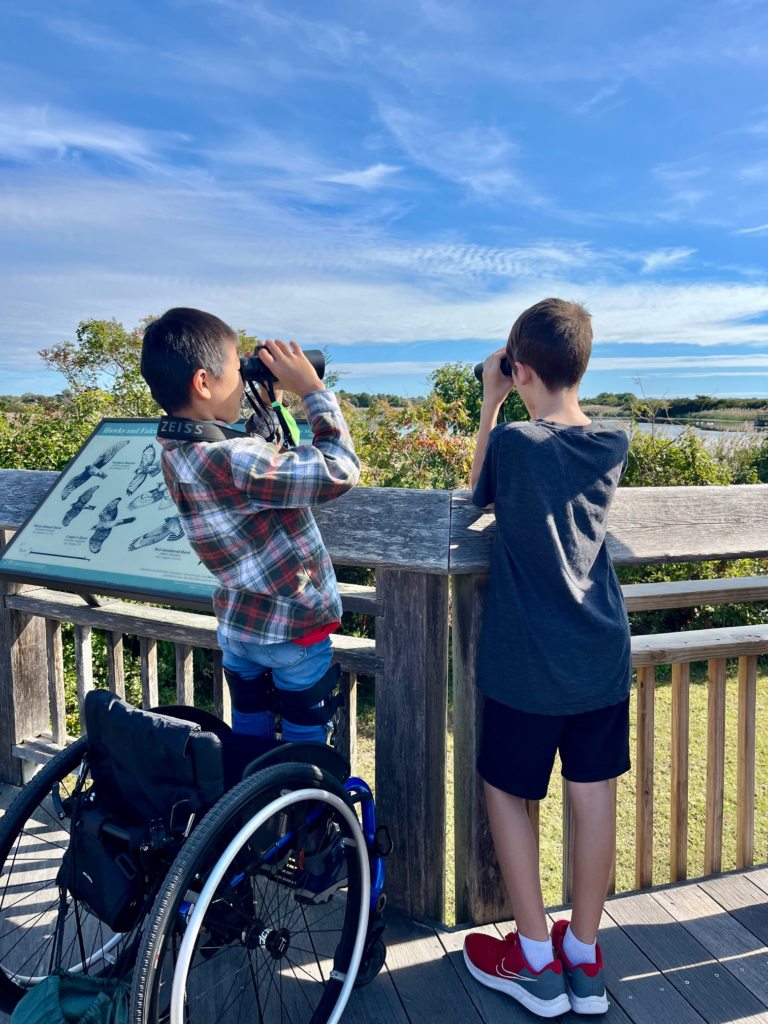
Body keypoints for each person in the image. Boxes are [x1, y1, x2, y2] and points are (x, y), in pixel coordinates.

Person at [462, 298, 631, 1018]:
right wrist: (521, 386)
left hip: (526, 658)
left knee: (508, 791)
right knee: (592, 794)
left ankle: (534, 958)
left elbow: (476, 496)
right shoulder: (613, 441)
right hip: (598, 648)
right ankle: (584, 961)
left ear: (519, 367)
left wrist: (489, 403)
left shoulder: (515, 445)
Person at [140, 307, 360, 745]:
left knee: (250, 741)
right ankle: (303, 806)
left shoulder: (175, 449)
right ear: (204, 382)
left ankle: (252, 801)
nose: (244, 377)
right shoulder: (235, 459)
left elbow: (265, 457)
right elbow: (339, 470)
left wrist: (267, 397)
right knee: (304, 744)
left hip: (238, 630)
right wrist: (313, 390)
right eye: (239, 369)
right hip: (293, 630)